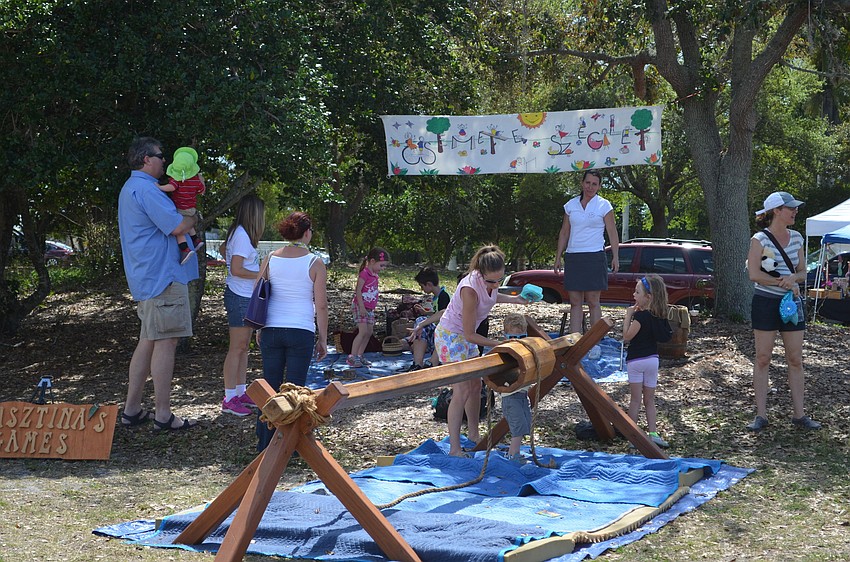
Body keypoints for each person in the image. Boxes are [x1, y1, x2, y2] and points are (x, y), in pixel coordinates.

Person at [117, 137, 199, 431]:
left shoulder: (133, 188)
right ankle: (163, 415)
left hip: (150, 278)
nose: (164, 161)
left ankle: (132, 410)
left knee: (149, 341)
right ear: (146, 159)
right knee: (167, 342)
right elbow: (178, 225)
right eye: (160, 156)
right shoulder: (146, 189)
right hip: (163, 278)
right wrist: (193, 212)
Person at [435, 244, 531, 457]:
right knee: (461, 391)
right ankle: (454, 448)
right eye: (491, 281)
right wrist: (500, 345)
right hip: (451, 337)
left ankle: (473, 435)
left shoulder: (490, 283)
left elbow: (493, 296)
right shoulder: (469, 288)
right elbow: (470, 335)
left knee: (476, 387)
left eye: (500, 280)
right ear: (480, 272)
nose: (495, 284)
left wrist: (517, 299)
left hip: (466, 337)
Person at [746, 191, 820, 431]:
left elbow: (802, 272)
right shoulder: (760, 239)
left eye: (796, 208)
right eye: (791, 208)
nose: (795, 211)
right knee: (763, 358)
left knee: (795, 359)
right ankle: (761, 415)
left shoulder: (797, 237)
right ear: (776, 211)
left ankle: (800, 415)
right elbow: (754, 274)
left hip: (792, 303)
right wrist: (784, 282)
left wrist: (793, 279)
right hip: (765, 302)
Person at [256, 211, 328, 451]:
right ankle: (292, 445)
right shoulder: (314, 262)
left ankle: (265, 443)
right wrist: (323, 337)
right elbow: (321, 304)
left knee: (270, 386)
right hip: (301, 329)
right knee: (296, 390)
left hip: (272, 327)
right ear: (307, 233)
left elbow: (259, 293)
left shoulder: (270, 258)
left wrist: (259, 326)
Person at [554, 170, 620, 334]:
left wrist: (616, 257)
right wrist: (558, 257)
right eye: (588, 183)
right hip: (574, 256)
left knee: (592, 300)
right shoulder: (571, 205)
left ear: (599, 186)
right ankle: (575, 339)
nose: (590, 187)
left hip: (594, 256)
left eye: (594, 184)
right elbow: (564, 232)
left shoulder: (604, 205)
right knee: (575, 301)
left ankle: (595, 341)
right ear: (582, 183)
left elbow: (612, 232)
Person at [220, 194, 266, 417]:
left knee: (243, 347)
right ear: (254, 214)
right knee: (237, 348)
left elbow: (222, 250)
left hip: (244, 296)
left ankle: (240, 391)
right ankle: (229, 398)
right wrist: (262, 273)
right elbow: (236, 269)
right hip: (239, 296)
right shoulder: (241, 235)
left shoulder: (238, 234)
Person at [622, 274, 673, 448]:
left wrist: (628, 316)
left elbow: (627, 337)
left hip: (636, 361)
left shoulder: (641, 317)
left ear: (648, 297)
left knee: (635, 400)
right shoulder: (659, 316)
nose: (634, 295)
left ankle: (633, 435)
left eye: (637, 292)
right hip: (653, 360)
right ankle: (653, 433)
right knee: (649, 400)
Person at [158, 147, 205, 264]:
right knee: (190, 225)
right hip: (191, 208)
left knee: (180, 231)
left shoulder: (177, 179)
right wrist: (201, 181)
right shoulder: (195, 180)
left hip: (180, 208)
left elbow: (171, 187)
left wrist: (159, 187)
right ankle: (196, 240)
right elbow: (201, 190)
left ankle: (185, 249)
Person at [348, 247, 390, 368]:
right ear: (372, 261)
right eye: (381, 265)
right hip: (360, 306)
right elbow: (358, 290)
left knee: (369, 332)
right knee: (362, 331)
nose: (383, 269)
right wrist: (361, 307)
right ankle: (352, 356)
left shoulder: (375, 275)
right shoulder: (364, 273)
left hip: (369, 308)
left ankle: (360, 355)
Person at [405, 267, 451, 371]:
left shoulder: (444, 296)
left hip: (445, 335)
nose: (422, 289)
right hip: (439, 332)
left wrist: (423, 322)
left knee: (420, 321)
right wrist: (426, 313)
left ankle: (419, 363)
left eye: (422, 286)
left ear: (429, 284)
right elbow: (437, 313)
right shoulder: (437, 297)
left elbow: (443, 313)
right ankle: (417, 363)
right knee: (421, 321)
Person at [500, 313, 532, 464]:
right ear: (505, 336)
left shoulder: (525, 353)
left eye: (521, 337)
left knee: (525, 424)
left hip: (522, 396)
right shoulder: (504, 354)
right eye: (513, 338)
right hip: (511, 397)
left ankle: (515, 453)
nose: (517, 342)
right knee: (517, 429)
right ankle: (513, 455)